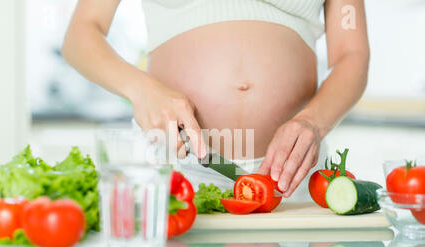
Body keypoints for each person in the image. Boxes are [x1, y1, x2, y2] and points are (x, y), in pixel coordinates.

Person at [62, 0, 369, 200]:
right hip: (177, 162)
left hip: (292, 170)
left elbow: (352, 55)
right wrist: (139, 88)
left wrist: (311, 122)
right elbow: (81, 34)